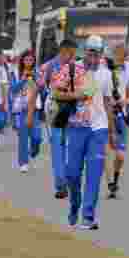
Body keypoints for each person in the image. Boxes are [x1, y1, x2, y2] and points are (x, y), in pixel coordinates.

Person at [50, 35, 115, 230]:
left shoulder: (106, 74)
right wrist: (75, 95)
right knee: (72, 174)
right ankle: (75, 204)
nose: (94, 58)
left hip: (98, 129)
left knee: (94, 173)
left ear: (101, 54)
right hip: (76, 127)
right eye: (90, 53)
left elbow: (107, 102)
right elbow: (55, 92)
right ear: (84, 52)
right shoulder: (71, 69)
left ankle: (88, 216)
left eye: (97, 54)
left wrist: (112, 132)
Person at [37, 39, 79, 200]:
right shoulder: (48, 67)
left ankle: (66, 180)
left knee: (69, 146)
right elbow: (38, 86)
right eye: (72, 52)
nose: (73, 56)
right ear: (64, 50)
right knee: (58, 145)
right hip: (56, 109)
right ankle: (61, 183)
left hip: (74, 110)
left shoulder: (77, 66)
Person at [106, 44, 129, 198]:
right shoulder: (104, 66)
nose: (120, 57)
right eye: (117, 54)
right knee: (106, 151)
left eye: (123, 55)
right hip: (103, 115)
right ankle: (110, 184)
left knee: (120, 156)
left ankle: (115, 179)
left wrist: (126, 101)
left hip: (121, 114)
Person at [12, 50, 42, 172]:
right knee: (23, 137)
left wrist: (36, 79)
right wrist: (23, 79)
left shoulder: (38, 72)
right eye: (26, 60)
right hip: (22, 109)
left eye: (31, 60)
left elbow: (43, 88)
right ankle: (23, 162)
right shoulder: (16, 72)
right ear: (22, 61)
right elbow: (13, 89)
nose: (29, 62)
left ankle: (34, 150)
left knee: (37, 137)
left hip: (35, 108)